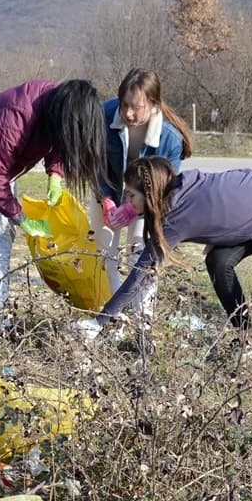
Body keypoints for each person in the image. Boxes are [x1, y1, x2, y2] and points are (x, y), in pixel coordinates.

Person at [74, 157, 252, 373]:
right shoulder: (179, 187)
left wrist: (99, 321)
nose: (127, 200)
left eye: (131, 196)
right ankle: (250, 342)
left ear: (149, 195)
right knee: (218, 259)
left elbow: (139, 275)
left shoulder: (176, 218)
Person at [0, 79, 107, 322]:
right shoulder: (17, 114)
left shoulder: (60, 104)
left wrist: (55, 174)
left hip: (3, 168)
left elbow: (60, 139)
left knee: (5, 235)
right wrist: (20, 217)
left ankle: (0, 309)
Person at [95, 69, 193, 324]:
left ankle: (143, 320)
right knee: (106, 252)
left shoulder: (170, 139)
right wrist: (105, 198)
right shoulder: (104, 116)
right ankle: (114, 318)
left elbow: (164, 188)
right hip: (108, 193)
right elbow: (93, 163)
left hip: (145, 202)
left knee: (140, 251)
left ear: (153, 104)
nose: (127, 113)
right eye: (124, 104)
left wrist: (133, 208)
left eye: (136, 107)